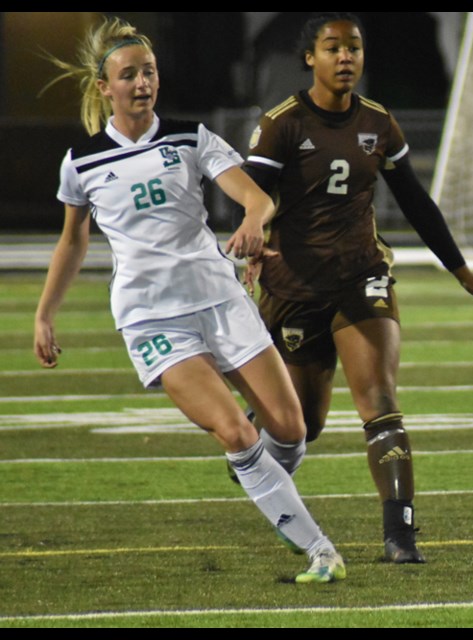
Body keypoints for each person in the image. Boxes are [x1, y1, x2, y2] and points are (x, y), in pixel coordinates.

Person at [32, 17, 345, 584]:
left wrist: (253, 223)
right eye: (128, 75)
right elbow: (73, 239)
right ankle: (320, 550)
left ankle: (258, 476)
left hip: (220, 298)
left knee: (292, 431)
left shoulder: (190, 137)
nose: (142, 82)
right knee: (236, 432)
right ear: (105, 87)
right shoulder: (82, 162)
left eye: (148, 72)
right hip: (152, 318)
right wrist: (45, 313)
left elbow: (257, 200)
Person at [237, 12, 473, 564]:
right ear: (308, 57)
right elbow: (249, 197)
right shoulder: (281, 124)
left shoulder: (379, 123)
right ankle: (246, 433)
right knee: (302, 427)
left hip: (362, 276)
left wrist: (461, 271)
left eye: (354, 48)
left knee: (379, 398)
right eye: (333, 48)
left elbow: (415, 201)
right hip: (294, 287)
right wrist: (249, 240)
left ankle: (399, 535)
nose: (345, 57)